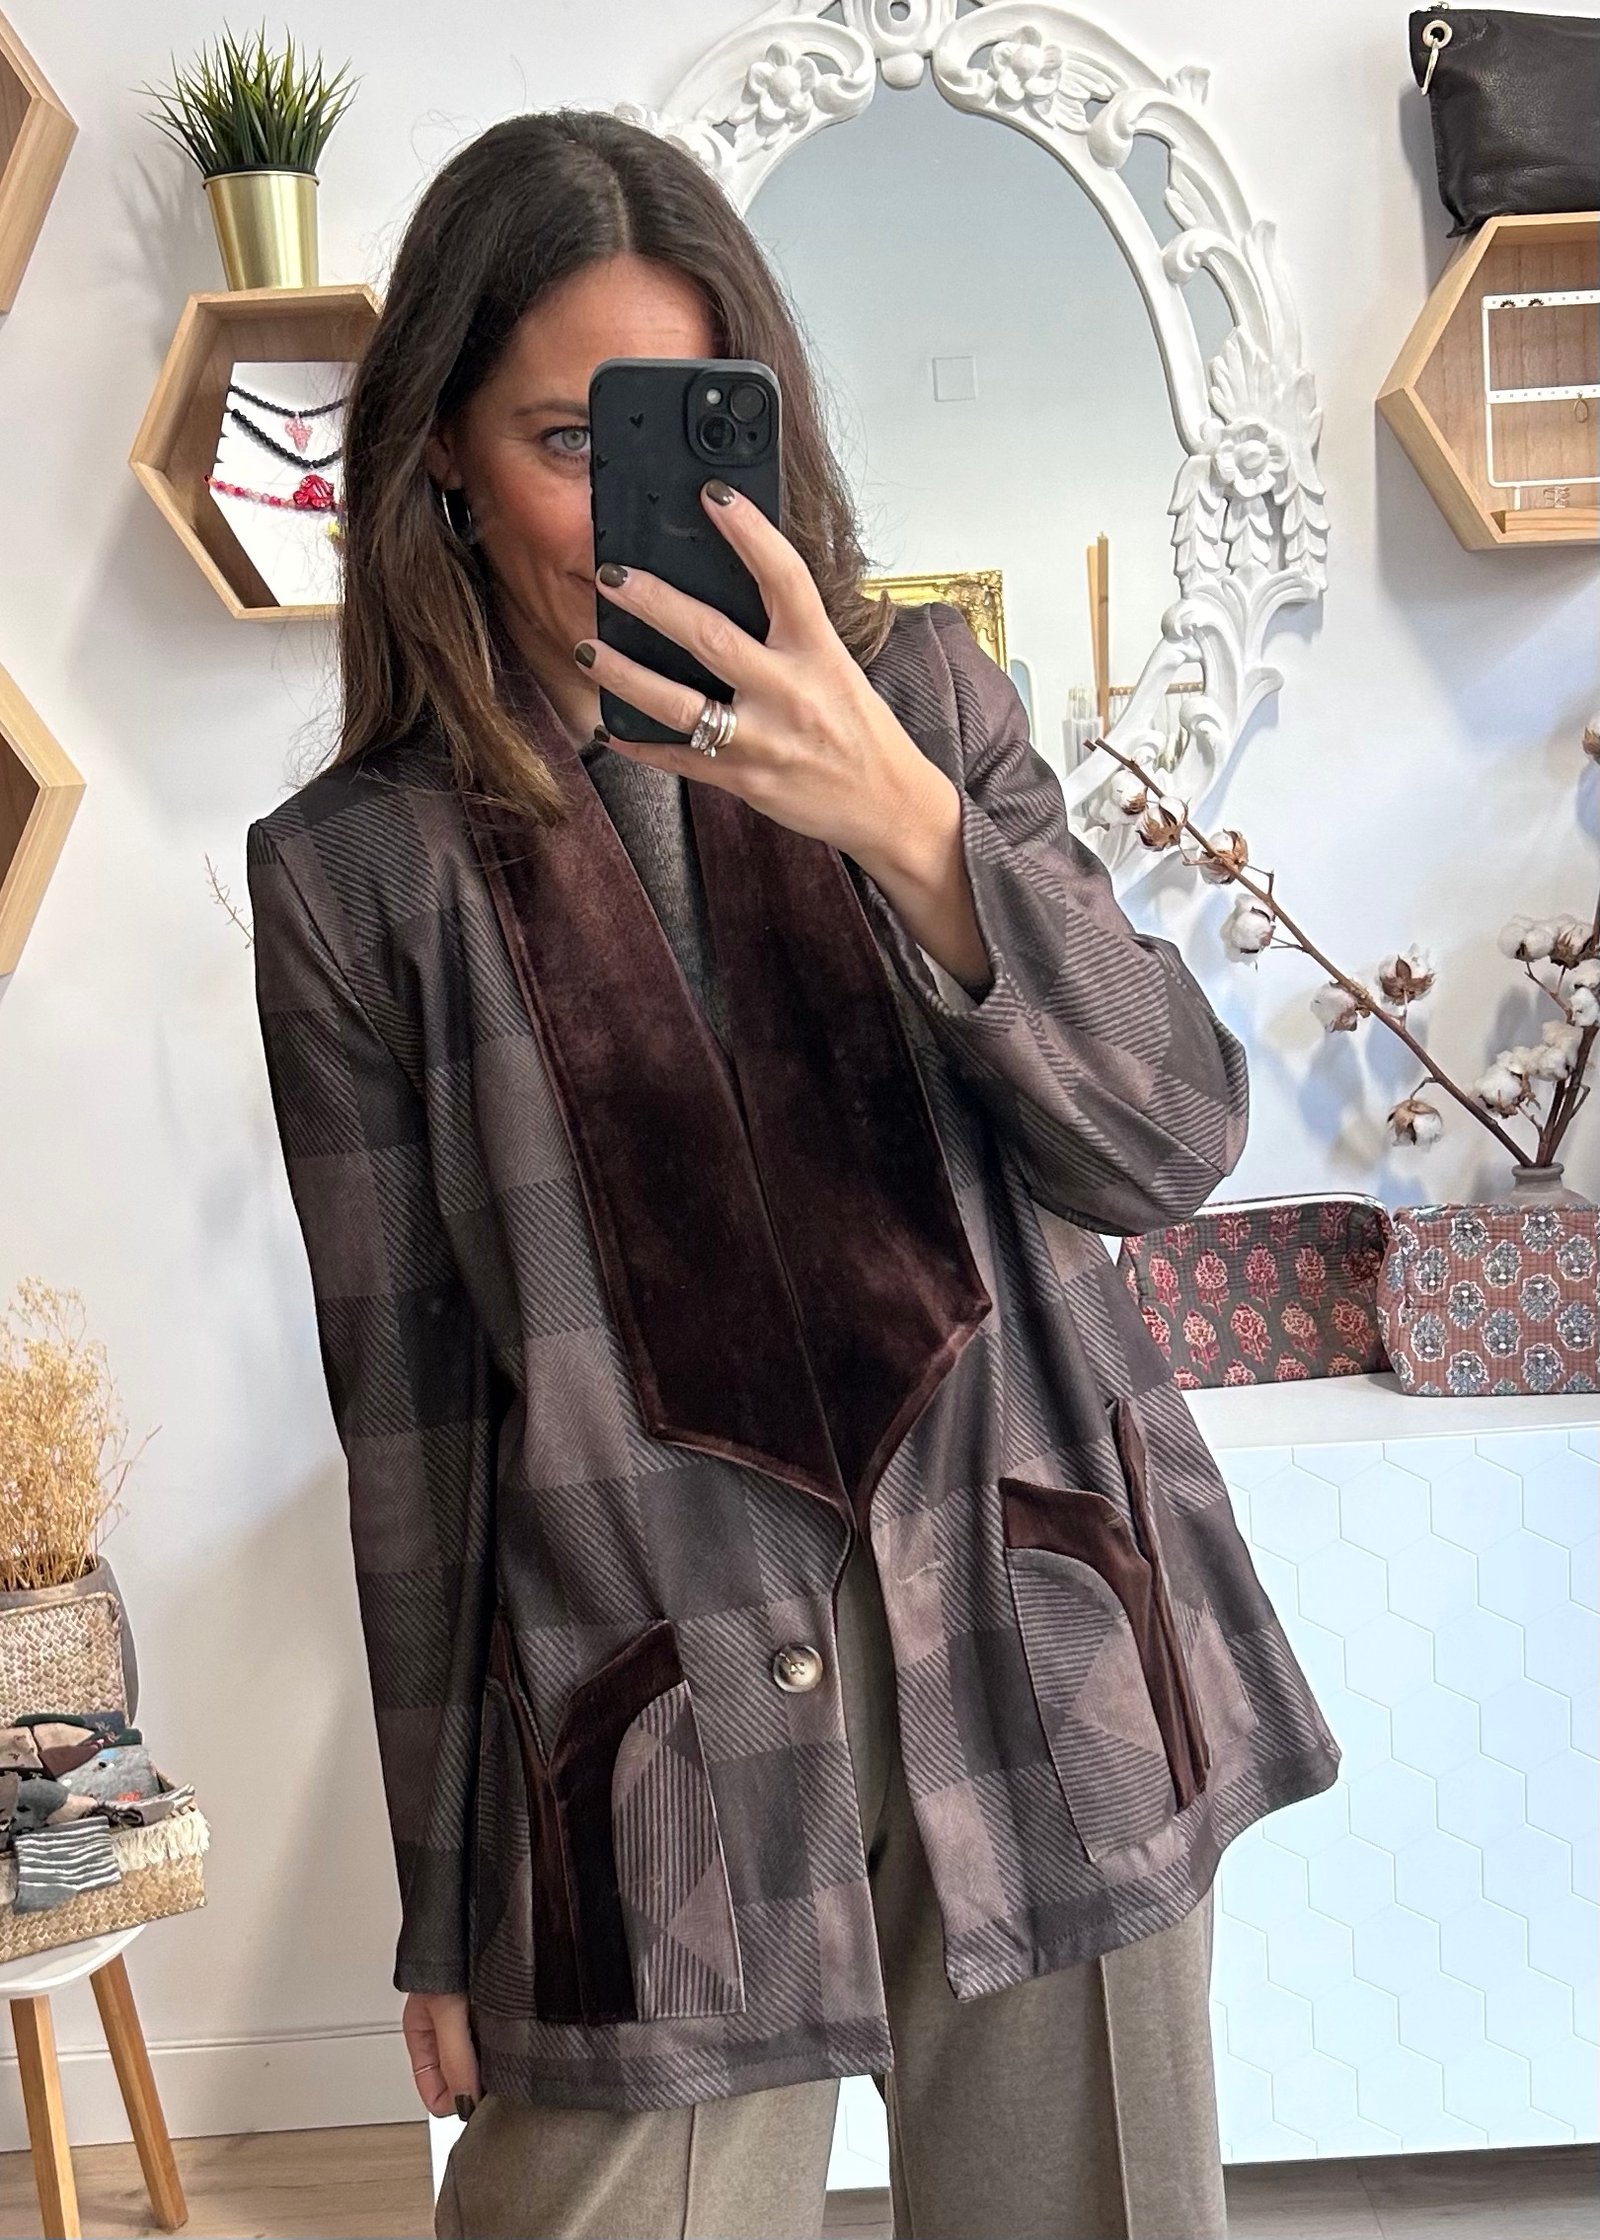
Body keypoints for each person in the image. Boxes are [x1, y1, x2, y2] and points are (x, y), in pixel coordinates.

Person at [246, 108, 1340, 2240]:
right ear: (442, 453)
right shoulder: (359, 879)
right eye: (565, 439)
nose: (626, 506)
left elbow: (1169, 1141)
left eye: (677, 429)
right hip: (647, 1718)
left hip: (1038, 1637)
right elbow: (414, 1433)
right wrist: (442, 1910)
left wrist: (911, 830)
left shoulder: (920, 700)